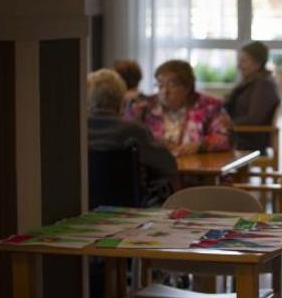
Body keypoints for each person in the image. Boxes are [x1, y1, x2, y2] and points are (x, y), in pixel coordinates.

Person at [87, 68, 177, 205]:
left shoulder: (77, 132)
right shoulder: (134, 131)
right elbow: (168, 165)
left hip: (85, 204)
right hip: (130, 206)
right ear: (121, 98)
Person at [125, 59, 232, 156]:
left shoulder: (209, 106)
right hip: (156, 170)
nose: (164, 92)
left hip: (196, 170)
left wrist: (200, 145)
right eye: (160, 85)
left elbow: (226, 138)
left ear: (187, 87)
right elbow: (127, 136)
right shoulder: (145, 106)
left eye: (172, 85)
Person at [224, 41, 282, 153]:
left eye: (244, 61)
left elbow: (254, 119)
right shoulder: (253, 81)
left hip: (247, 141)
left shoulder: (263, 85)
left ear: (258, 63)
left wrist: (228, 124)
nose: (239, 65)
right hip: (243, 136)